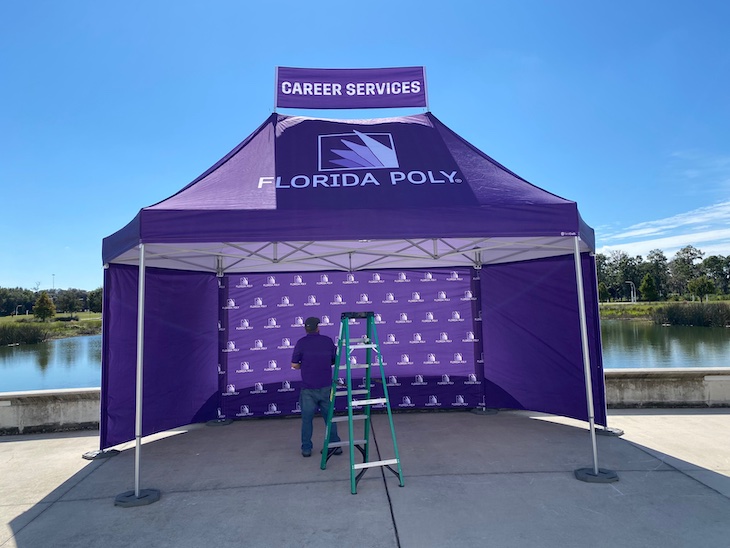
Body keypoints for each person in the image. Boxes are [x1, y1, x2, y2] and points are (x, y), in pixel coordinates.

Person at [291, 317, 342, 457]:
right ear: (318, 327)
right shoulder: (327, 341)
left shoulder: (301, 343)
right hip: (326, 387)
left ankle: (306, 449)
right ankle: (336, 445)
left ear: (305, 329)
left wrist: (305, 365)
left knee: (307, 420)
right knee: (329, 418)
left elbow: (294, 365)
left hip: (308, 389)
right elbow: (334, 360)